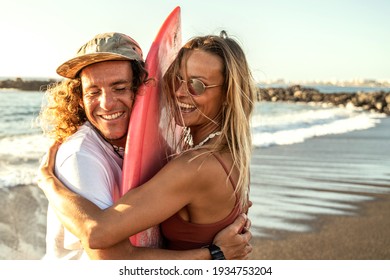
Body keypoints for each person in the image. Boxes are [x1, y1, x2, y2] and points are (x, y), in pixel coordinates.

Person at [38, 31, 255, 259]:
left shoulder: (194, 165)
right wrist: (215, 254)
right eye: (177, 79)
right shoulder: (226, 151)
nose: (180, 92)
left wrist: (47, 183)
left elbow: (97, 235)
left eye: (197, 86)